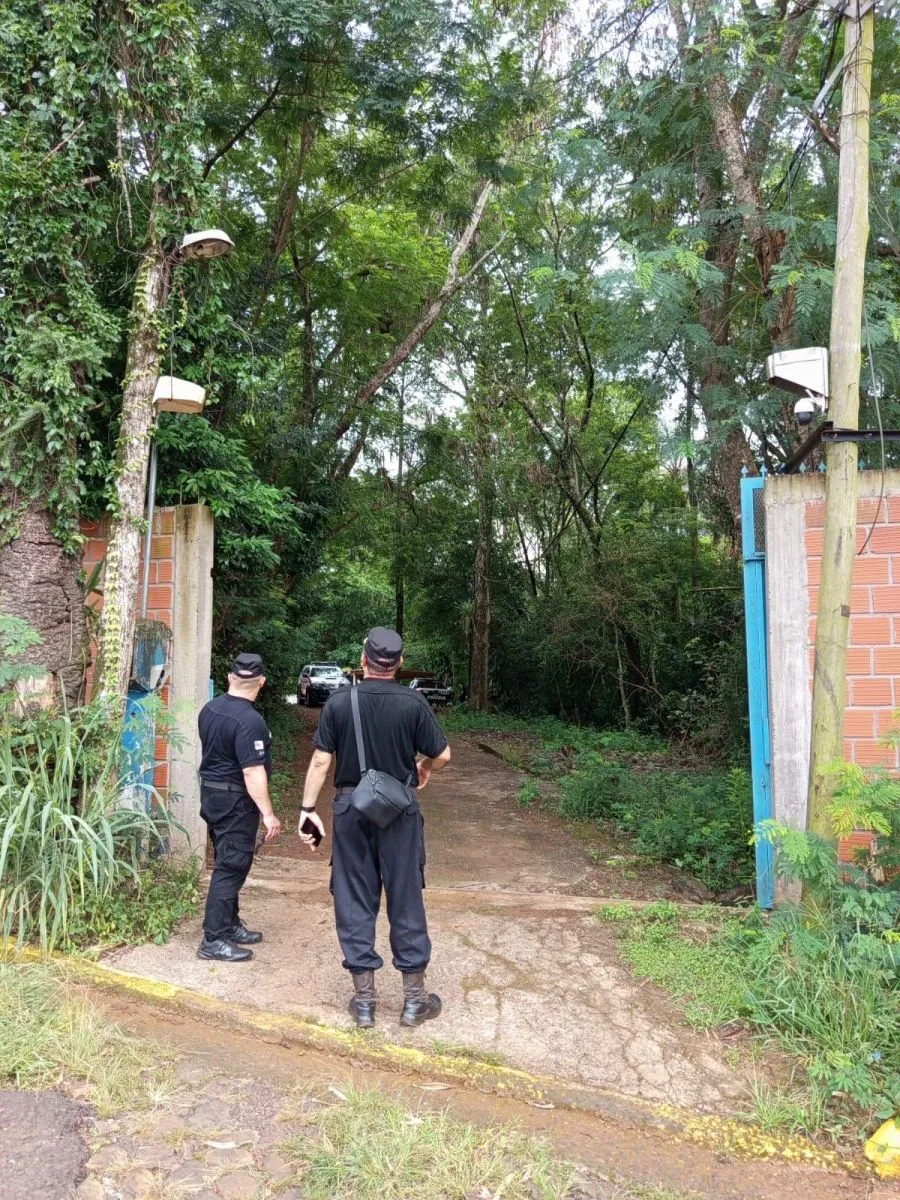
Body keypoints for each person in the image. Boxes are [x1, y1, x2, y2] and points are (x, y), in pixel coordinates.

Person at [299, 627, 451, 1028]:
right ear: (399, 665)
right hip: (399, 810)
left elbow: (320, 761)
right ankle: (414, 1002)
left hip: (352, 808)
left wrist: (307, 809)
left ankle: (365, 1003)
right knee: (405, 896)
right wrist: (424, 766)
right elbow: (443, 755)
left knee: (353, 897)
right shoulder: (413, 702)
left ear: (363, 661)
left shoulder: (339, 701)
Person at [196, 652, 282, 962]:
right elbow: (252, 771)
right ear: (261, 682)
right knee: (232, 865)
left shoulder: (209, 709)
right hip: (234, 801)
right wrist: (268, 814)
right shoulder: (250, 721)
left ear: (231, 677)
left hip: (212, 795)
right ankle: (214, 939)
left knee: (227, 858)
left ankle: (230, 925)